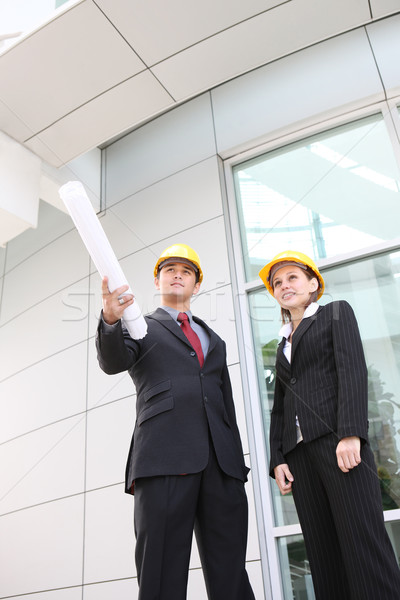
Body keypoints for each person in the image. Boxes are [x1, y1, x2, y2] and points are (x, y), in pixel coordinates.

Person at [96, 243, 255, 600]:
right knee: (162, 568)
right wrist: (110, 319)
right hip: (164, 457)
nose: (178, 274)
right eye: (170, 269)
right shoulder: (141, 326)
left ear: (196, 286)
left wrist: (236, 464)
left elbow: (225, 406)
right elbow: (112, 361)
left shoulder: (215, 341)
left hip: (221, 466)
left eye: (186, 271)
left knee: (230, 570)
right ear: (157, 280)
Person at [259, 250, 400, 600]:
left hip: (337, 445)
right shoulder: (282, 344)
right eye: (278, 282)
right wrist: (277, 457)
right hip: (299, 456)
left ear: (312, 283)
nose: (284, 285)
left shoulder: (336, 314)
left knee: (362, 542)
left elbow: (352, 370)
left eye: (292, 277)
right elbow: (279, 408)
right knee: (322, 553)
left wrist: (350, 432)